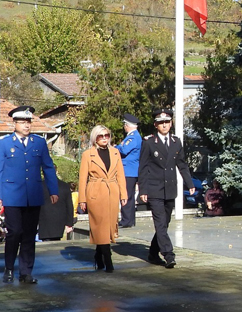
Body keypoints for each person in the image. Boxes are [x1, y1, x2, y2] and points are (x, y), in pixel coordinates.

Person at [0, 106, 59, 285]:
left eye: (29, 122)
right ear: (14, 123)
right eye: (22, 122)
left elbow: (48, 167)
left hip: (33, 195)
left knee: (29, 235)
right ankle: (9, 268)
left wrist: (53, 190)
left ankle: (26, 272)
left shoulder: (38, 142)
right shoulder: (4, 143)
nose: (27, 126)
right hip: (12, 195)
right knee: (15, 232)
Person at [138, 108, 195, 269]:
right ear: (155, 125)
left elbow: (182, 164)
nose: (164, 125)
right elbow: (143, 167)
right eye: (161, 123)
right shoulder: (149, 142)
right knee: (160, 223)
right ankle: (169, 255)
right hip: (154, 189)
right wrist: (143, 190)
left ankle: (152, 253)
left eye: (167, 122)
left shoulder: (176, 141)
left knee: (165, 223)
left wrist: (189, 183)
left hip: (170, 189)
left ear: (171, 123)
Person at [78, 125, 128, 273]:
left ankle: (98, 255)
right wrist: (82, 199)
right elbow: (82, 179)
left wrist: (123, 194)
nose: (105, 138)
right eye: (101, 136)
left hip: (112, 191)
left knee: (110, 226)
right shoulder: (88, 154)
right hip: (96, 192)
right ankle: (108, 259)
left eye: (107, 135)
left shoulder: (115, 153)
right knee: (100, 226)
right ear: (95, 138)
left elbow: (120, 175)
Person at [115, 113, 142, 228]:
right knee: (129, 196)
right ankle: (129, 220)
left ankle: (126, 220)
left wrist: (117, 146)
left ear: (127, 125)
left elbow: (124, 150)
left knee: (126, 196)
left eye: (125, 125)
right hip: (131, 171)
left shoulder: (133, 137)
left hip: (128, 171)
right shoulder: (134, 136)